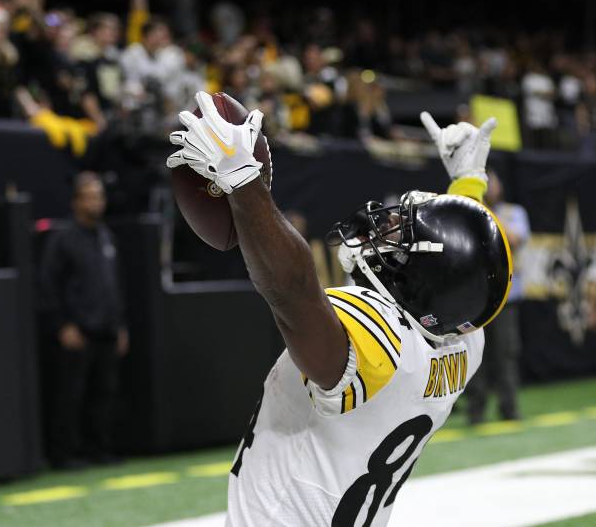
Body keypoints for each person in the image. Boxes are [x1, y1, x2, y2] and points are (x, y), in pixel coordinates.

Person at [166, 92, 511, 526]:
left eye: (400, 237)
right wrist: (468, 185)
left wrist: (241, 178)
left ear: (421, 280)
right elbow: (465, 269)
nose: (383, 231)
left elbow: (292, 294)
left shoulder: (381, 343)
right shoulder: (465, 338)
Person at [38, 171, 129, 469]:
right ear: (76, 202)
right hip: (78, 330)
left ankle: (99, 448)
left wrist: (120, 325)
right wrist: (62, 324)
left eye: (99, 196)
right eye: (90, 196)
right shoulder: (63, 239)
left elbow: (113, 284)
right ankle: (64, 454)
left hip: (106, 328)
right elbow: (49, 284)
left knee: (104, 394)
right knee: (70, 395)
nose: (96, 202)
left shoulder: (106, 236)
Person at [467, 169, 529, 424]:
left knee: (506, 354)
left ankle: (509, 408)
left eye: (493, 180)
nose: (491, 185)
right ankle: (476, 411)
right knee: (474, 356)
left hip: (507, 298)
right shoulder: (469, 215)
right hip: (477, 299)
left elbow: (513, 239)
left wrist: (485, 214)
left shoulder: (514, 212)